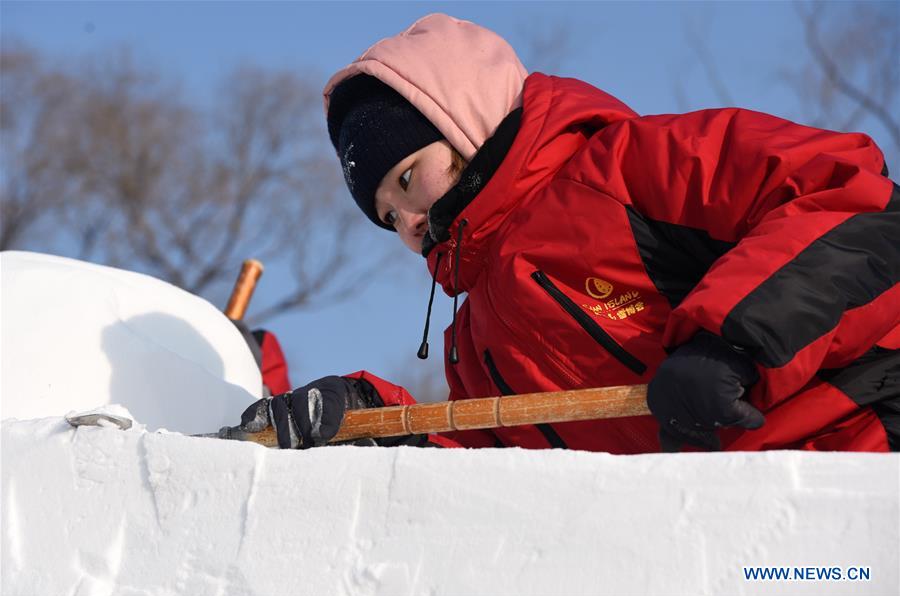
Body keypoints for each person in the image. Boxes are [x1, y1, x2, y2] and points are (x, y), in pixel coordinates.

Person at [240, 13, 899, 452]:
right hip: (732, 538)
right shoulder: (474, 345)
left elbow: (854, 204)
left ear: (467, 123)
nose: (407, 223)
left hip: (861, 445)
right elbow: (494, 478)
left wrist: (731, 343)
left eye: (408, 180)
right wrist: (370, 420)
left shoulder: (634, 167)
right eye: (386, 216)